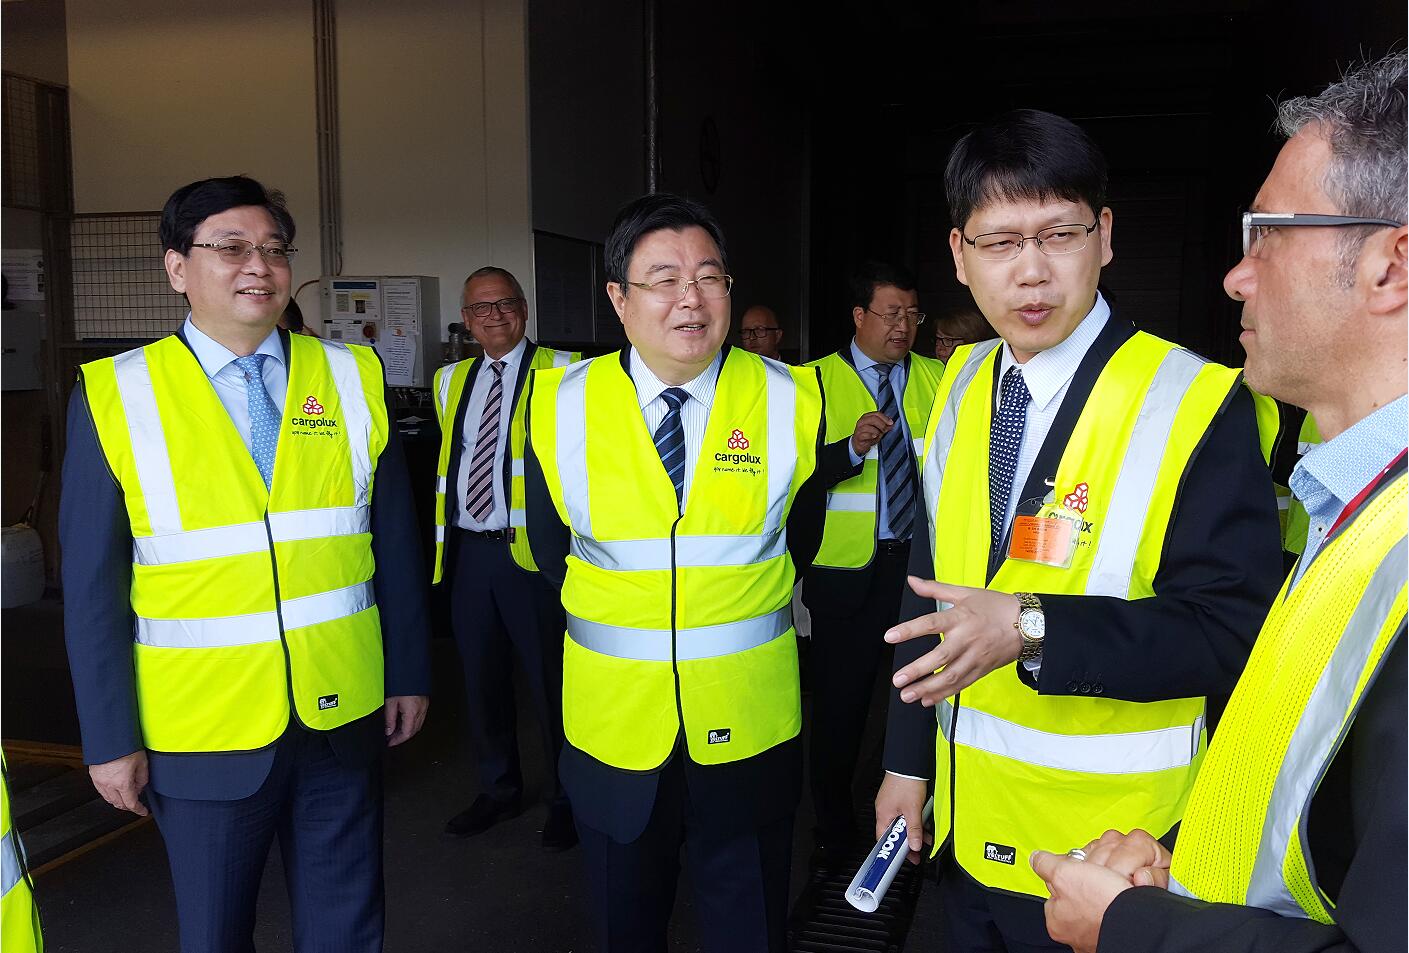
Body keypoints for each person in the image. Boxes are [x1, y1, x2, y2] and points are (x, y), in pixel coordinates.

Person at [875, 109, 1284, 952]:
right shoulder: (960, 382)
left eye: (1057, 235)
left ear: (1103, 235)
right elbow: (927, 585)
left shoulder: (1195, 401)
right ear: (958, 254)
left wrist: (1031, 628)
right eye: (999, 243)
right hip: (967, 826)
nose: (1031, 271)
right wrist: (905, 763)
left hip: (1110, 860)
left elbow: (1229, 630)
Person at [1031, 52, 1407, 953]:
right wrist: (1181, 870)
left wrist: (1135, 927)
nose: (1236, 276)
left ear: (1390, 265)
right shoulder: (1357, 506)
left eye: (1267, 233)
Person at [59, 176, 432, 953]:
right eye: (230, 248)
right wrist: (109, 737)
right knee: (216, 934)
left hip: (340, 712)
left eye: (273, 248)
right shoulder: (116, 393)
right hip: (202, 730)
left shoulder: (351, 375)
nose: (258, 265)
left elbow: (395, 545)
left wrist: (408, 671)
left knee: (348, 928)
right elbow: (91, 588)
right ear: (177, 268)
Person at [524, 193, 826, 953]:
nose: (690, 298)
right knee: (623, 928)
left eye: (709, 277)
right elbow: (550, 548)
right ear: (618, 298)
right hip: (615, 729)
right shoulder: (558, 404)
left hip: (749, 726)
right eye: (663, 279)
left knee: (749, 930)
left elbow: (803, 536)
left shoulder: (790, 397)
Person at [431, 266, 580, 850]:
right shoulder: (449, 381)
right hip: (471, 555)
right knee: (481, 682)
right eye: (480, 308)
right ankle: (498, 790)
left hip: (535, 560)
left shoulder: (567, 372)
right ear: (466, 320)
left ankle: (567, 798)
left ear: (524, 307)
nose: (494, 316)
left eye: (505, 303)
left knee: (553, 685)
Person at [801, 260, 944, 867]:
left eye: (912, 314)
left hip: (923, 568)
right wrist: (850, 450)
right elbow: (791, 478)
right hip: (847, 574)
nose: (903, 326)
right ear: (859, 316)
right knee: (841, 708)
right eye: (891, 314)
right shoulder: (811, 382)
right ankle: (834, 830)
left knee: (927, 696)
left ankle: (920, 818)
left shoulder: (941, 377)